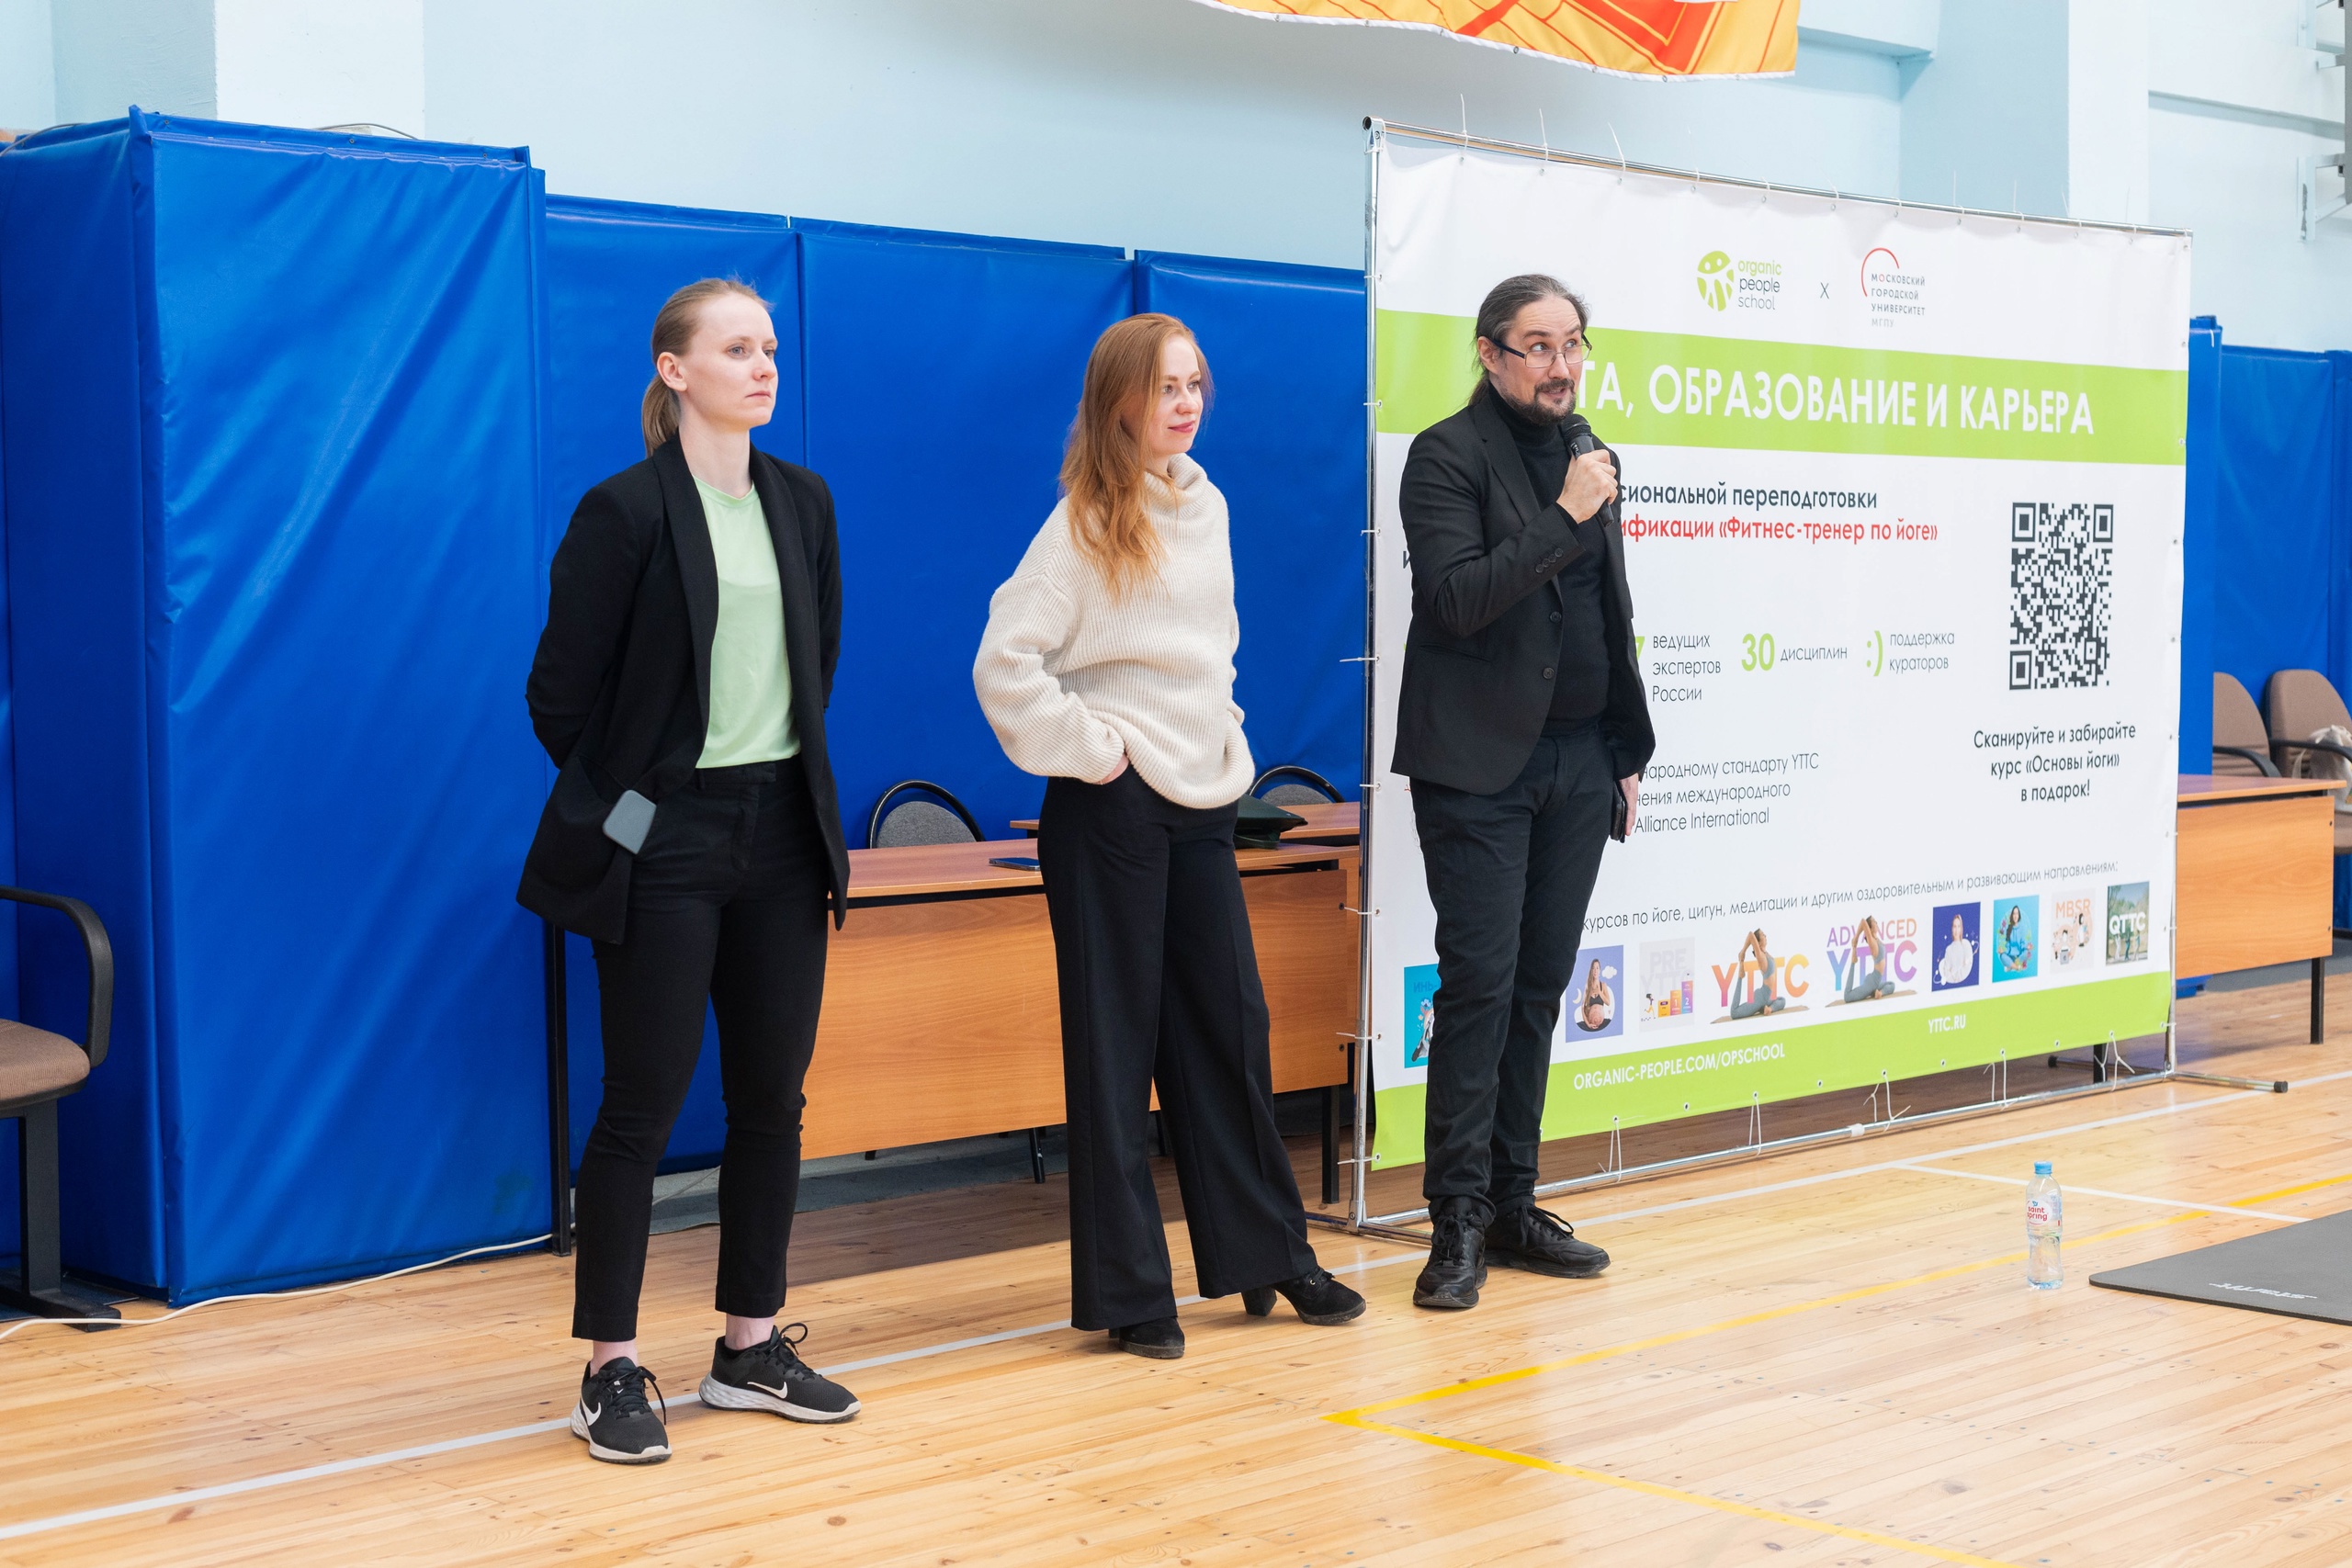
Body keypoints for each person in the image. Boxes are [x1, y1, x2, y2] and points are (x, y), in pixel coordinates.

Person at [974, 312, 1364, 1359]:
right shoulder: (1082, 522)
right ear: (1119, 403)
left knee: (1229, 1029)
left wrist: (1219, 731)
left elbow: (1210, 649)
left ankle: (1268, 1254)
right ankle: (1130, 1292)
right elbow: (1003, 663)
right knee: (1115, 1049)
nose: (1185, 403)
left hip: (1202, 799)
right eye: (1164, 387)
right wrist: (1092, 747)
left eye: (1194, 384)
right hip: (1109, 805)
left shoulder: (1208, 505)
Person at [519, 278, 859, 1464]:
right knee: (643, 1103)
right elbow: (559, 698)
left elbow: (817, 662)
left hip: (783, 834)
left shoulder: (803, 501)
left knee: (772, 1098)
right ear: (675, 370)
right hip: (668, 839)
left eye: (770, 348)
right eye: (736, 349)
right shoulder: (624, 510)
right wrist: (639, 814)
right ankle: (608, 1367)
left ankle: (748, 1346)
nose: (763, 367)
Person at [1392, 273, 1655, 1311]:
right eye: (1538, 346)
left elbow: (1605, 610)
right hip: (1479, 769)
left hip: (1581, 760)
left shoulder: (1591, 453)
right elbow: (1457, 600)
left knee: (1541, 986)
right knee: (1480, 987)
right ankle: (1454, 1220)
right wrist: (1563, 514)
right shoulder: (1445, 456)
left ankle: (1512, 1201)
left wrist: (1622, 745)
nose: (1560, 366)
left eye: (1573, 344)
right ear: (1490, 353)